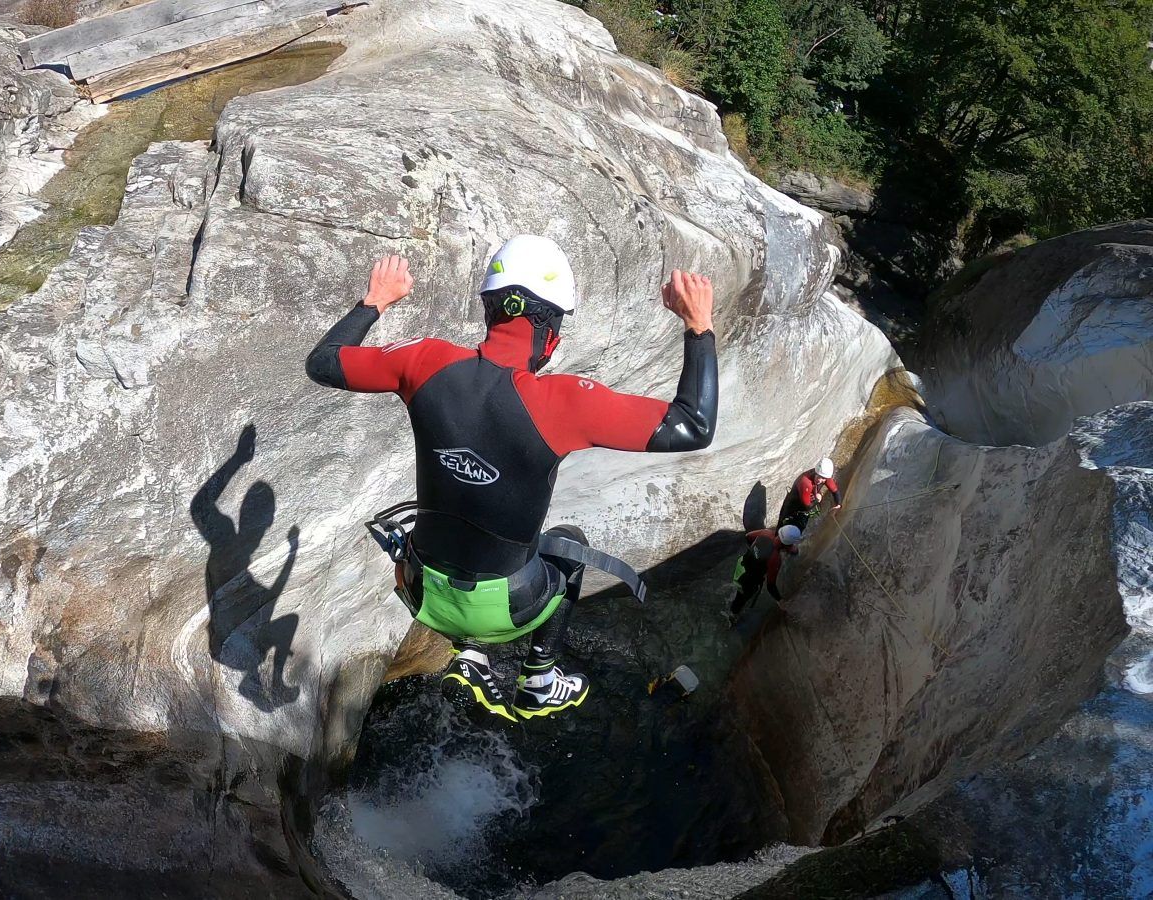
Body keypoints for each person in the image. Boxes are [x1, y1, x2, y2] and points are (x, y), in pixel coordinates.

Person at [305, 236, 717, 721]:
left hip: (419, 588)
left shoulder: (422, 360)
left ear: (490, 311)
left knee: (473, 532)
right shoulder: (562, 401)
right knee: (567, 542)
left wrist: (373, 301)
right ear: (551, 334)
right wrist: (698, 326)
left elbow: (323, 361)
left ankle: (471, 658)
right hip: (509, 608)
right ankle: (540, 677)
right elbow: (694, 425)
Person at [727, 524, 801, 625]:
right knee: (741, 598)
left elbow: (748, 536)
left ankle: (734, 603)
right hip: (748, 580)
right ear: (787, 545)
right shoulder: (775, 560)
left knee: (738, 590)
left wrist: (755, 553)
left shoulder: (766, 533)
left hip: (742, 565)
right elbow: (770, 586)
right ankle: (732, 617)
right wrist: (781, 602)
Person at [779, 457, 843, 534]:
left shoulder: (825, 477)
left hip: (807, 502)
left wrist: (838, 505)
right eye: (818, 476)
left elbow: (835, 491)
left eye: (823, 478)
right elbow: (807, 506)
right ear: (816, 472)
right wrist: (818, 499)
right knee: (781, 527)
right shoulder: (806, 482)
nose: (820, 480)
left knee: (798, 531)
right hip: (792, 505)